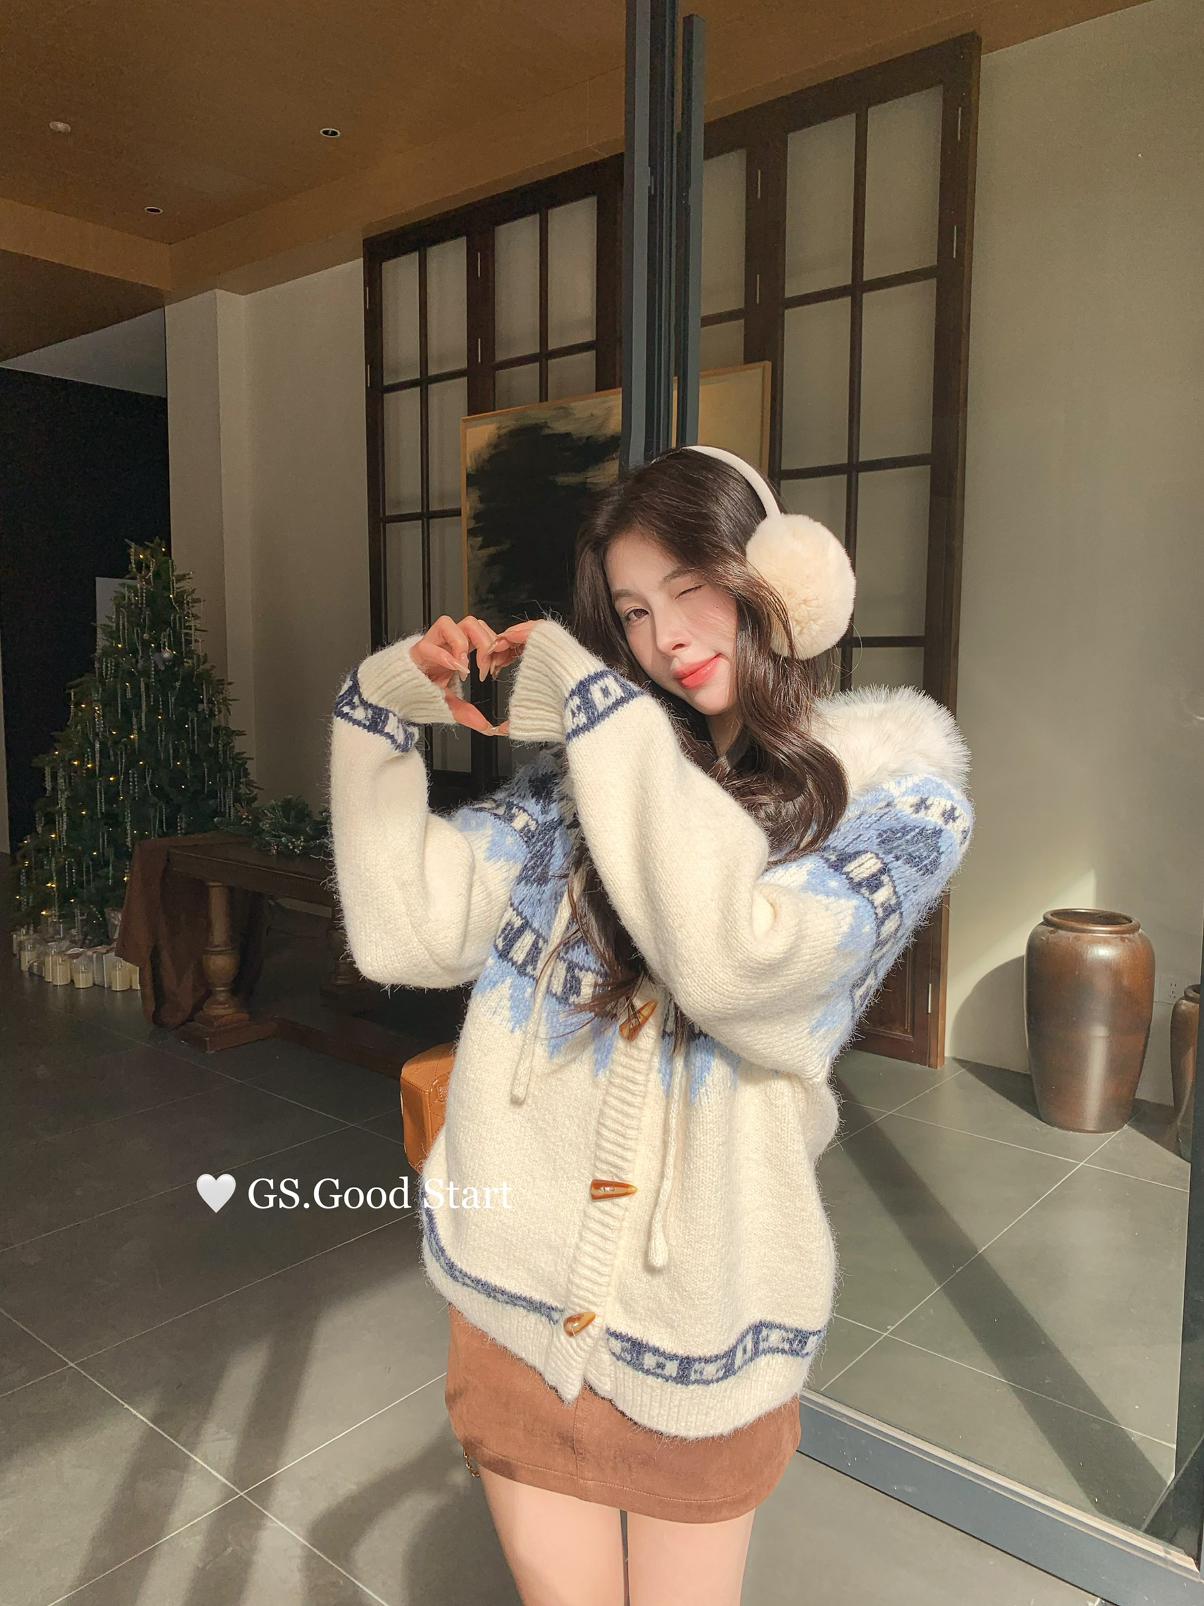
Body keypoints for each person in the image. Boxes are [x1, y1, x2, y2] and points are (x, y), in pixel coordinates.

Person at [327, 444, 974, 1605]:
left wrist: (595, 711)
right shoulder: (575, 787)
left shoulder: (898, 805)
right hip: (514, 1292)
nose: (666, 636)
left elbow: (737, 962)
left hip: (704, 1327)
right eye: (631, 611)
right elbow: (405, 931)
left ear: (778, 578)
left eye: (691, 587)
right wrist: (382, 711)